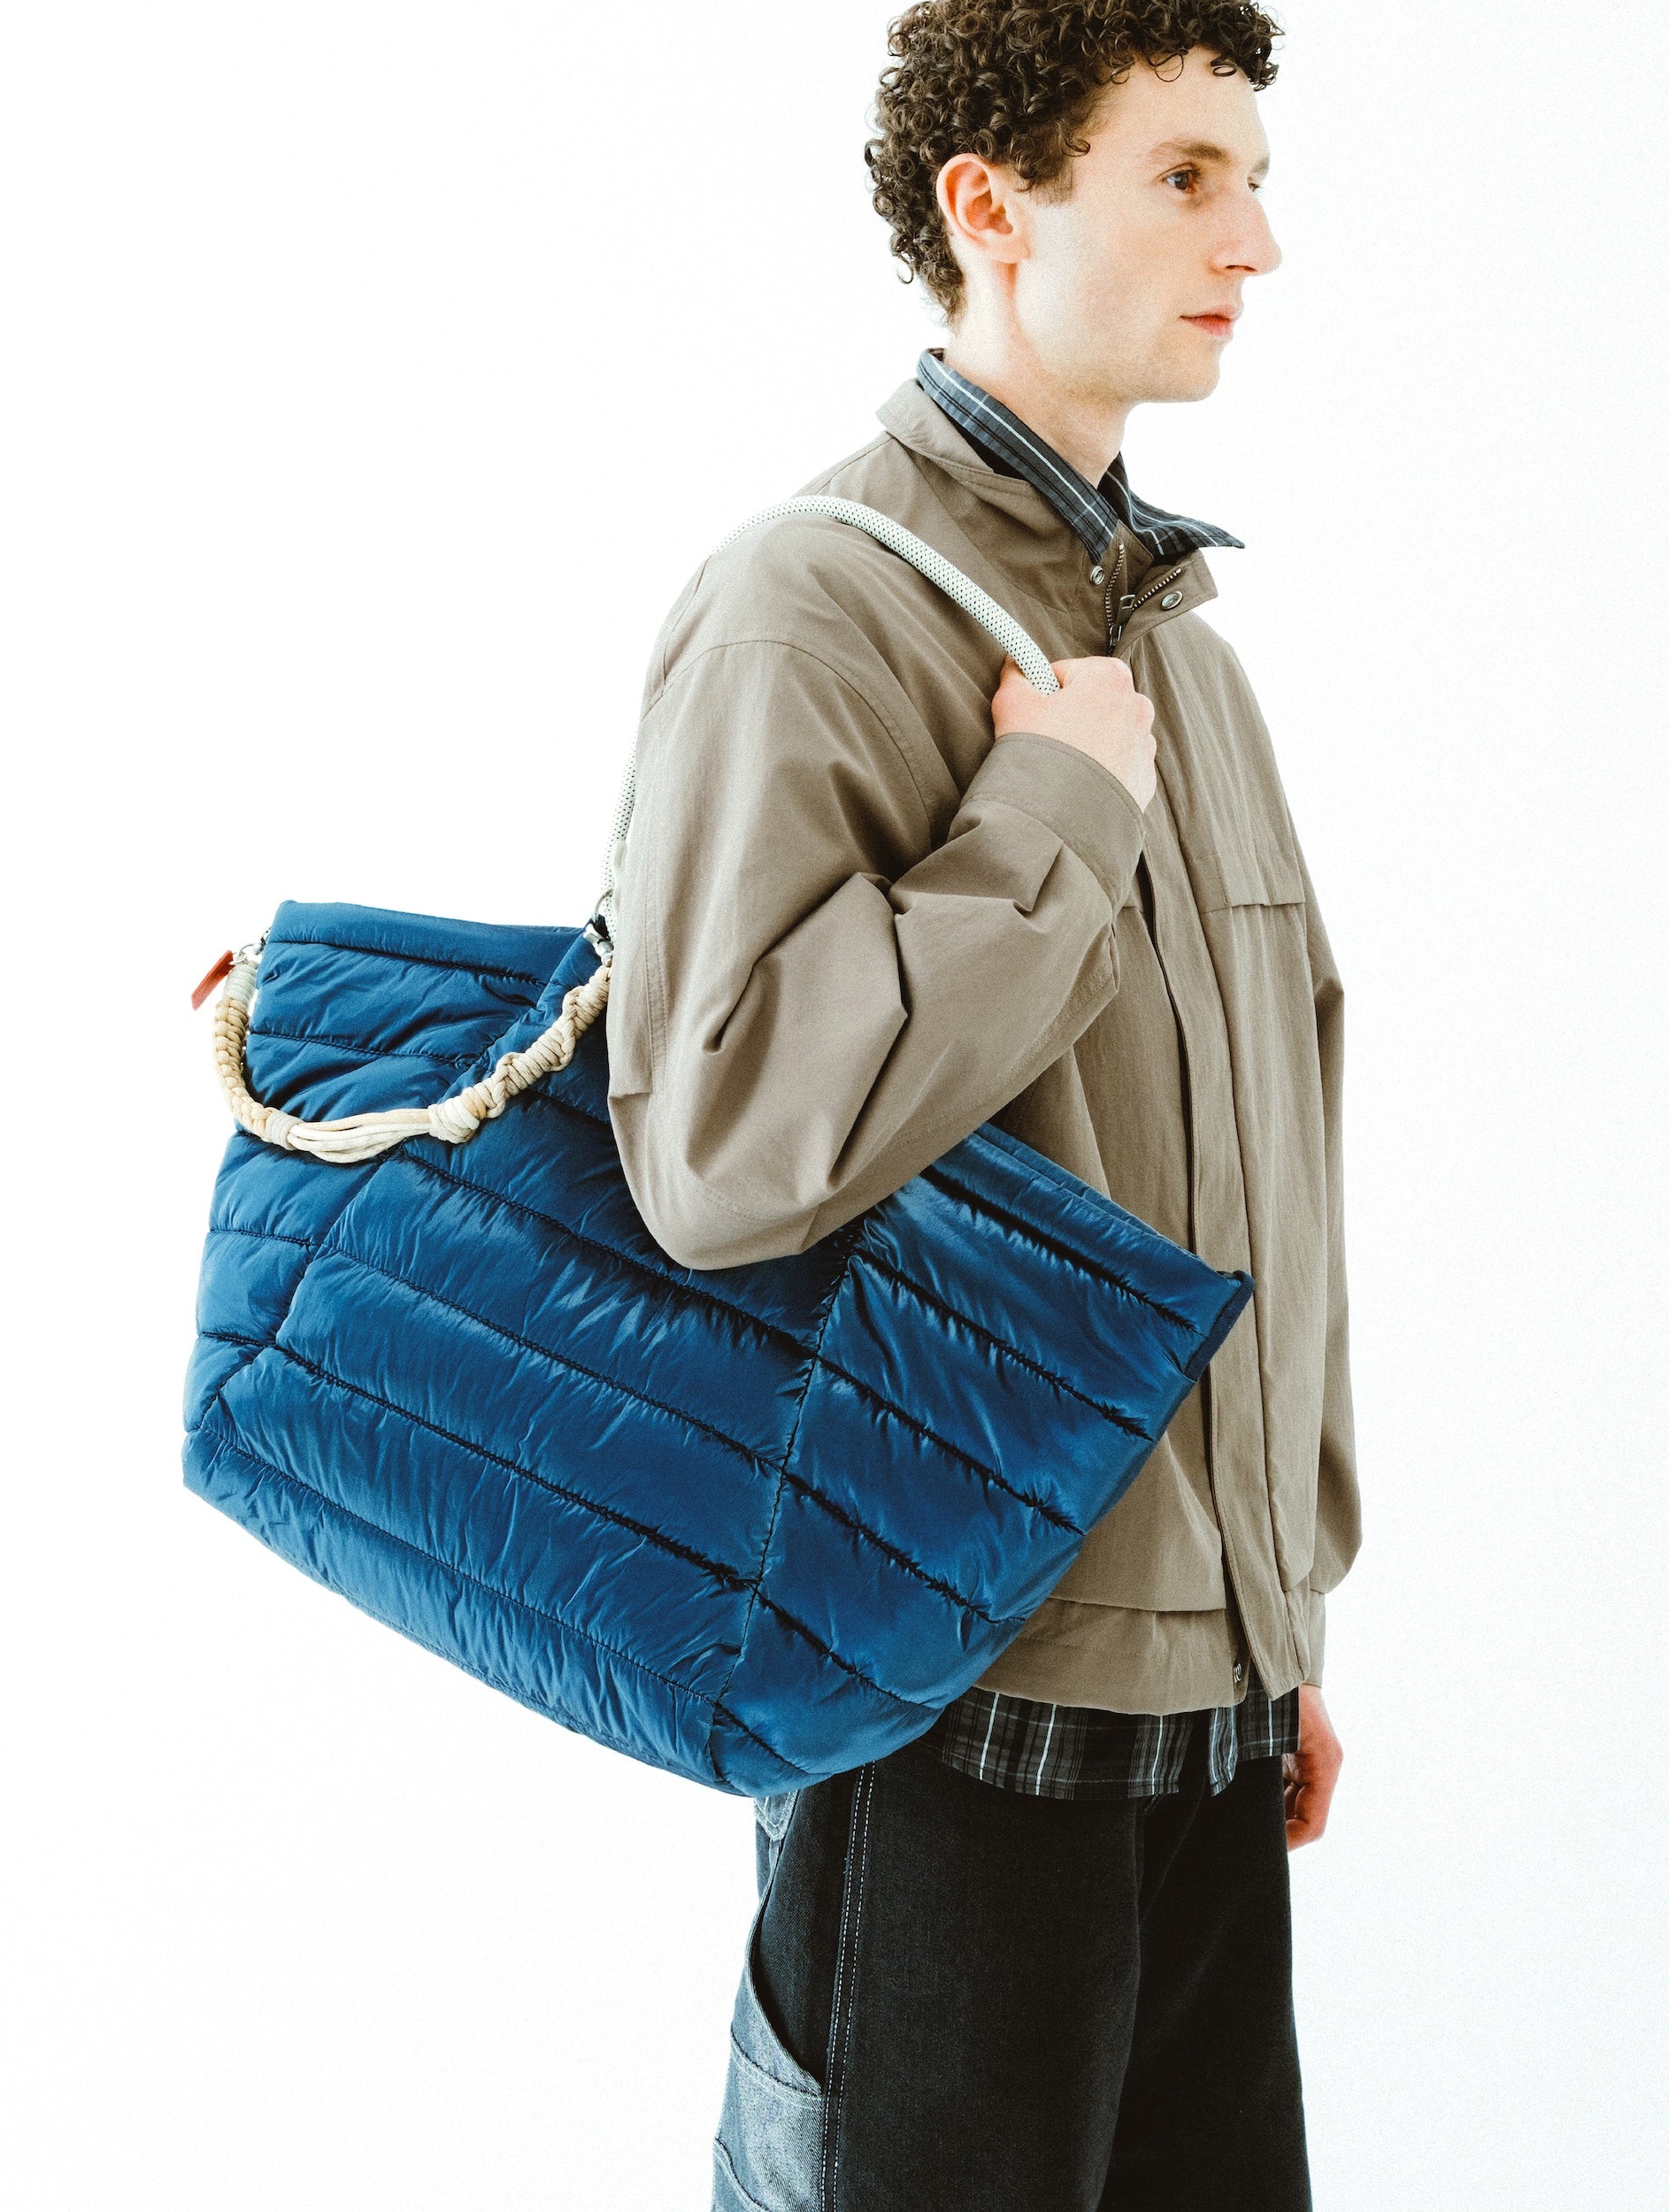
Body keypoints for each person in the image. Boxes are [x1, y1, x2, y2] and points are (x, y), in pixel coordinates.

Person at [603, 4, 1358, 2204]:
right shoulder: (804, 609)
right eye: (1185, 177)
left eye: (1254, 180)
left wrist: (1267, 1621)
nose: (1253, 241)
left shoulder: (1187, 657)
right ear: (990, 205)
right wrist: (1040, 816)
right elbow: (721, 1145)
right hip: (943, 1706)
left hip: (1205, 1721)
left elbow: (1258, 1160)